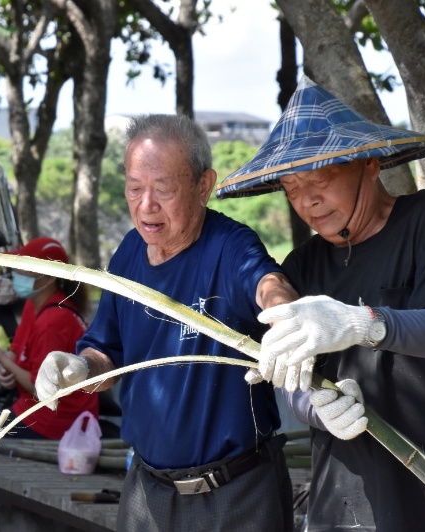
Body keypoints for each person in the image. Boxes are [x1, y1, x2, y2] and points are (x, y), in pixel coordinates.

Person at [35, 114, 299, 531]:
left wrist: (288, 319)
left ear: (203, 185)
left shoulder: (229, 245)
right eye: (134, 188)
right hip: (148, 489)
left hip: (237, 490)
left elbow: (268, 283)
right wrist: (80, 368)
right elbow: (107, 352)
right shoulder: (128, 253)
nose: (146, 206)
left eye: (163, 189)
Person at [216, 76, 425, 530]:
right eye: (292, 187)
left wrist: (365, 323)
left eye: (319, 178)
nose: (308, 201)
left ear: (369, 164)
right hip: (337, 504)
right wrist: (314, 407)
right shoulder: (302, 265)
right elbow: (293, 375)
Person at [0, 237, 99, 439]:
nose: (18, 274)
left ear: (50, 277)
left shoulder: (53, 322)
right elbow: (17, 348)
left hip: (53, 420)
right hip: (34, 408)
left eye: (26, 269)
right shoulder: (35, 303)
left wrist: (0, 358)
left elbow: (41, 388)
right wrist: (5, 368)